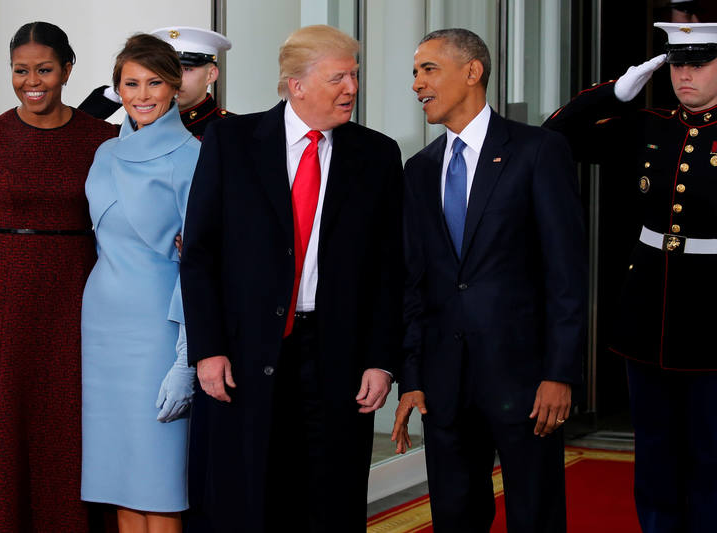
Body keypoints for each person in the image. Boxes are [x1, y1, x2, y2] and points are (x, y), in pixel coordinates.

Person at [180, 24, 403, 533]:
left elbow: (390, 271)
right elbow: (199, 254)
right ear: (296, 85)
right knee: (251, 493)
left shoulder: (377, 155)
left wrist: (381, 361)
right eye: (338, 77)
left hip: (337, 355)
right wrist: (208, 349)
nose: (351, 88)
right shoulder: (231, 141)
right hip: (245, 351)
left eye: (355, 75)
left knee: (331, 496)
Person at [0, 21, 117, 533]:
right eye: (21, 70)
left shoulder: (105, 140)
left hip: (77, 304)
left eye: (45, 69)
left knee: (67, 432)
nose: (32, 81)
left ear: (68, 70)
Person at [391, 28, 587, 533]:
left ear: (472, 71)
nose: (416, 84)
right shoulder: (418, 169)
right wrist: (411, 378)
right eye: (415, 72)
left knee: (535, 514)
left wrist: (559, 372)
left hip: (526, 384)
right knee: (454, 517)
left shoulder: (538, 151)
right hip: (445, 385)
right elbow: (413, 284)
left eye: (428, 69)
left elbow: (565, 274)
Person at [543, 22, 717, 533]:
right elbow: (555, 138)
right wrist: (616, 93)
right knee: (657, 452)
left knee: (710, 453)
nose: (685, 75)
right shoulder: (649, 125)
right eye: (678, 64)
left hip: (711, 320)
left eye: (699, 63)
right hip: (647, 316)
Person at [80, 33, 199, 533]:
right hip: (103, 325)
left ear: (175, 88)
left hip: (158, 329)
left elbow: (201, 264)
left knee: (159, 480)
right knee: (119, 479)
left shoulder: (192, 155)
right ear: (117, 89)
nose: (143, 95)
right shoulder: (104, 152)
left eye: (155, 83)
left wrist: (185, 359)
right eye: (131, 84)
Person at [79, 26, 232, 140]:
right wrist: (121, 89)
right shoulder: (138, 123)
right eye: (162, 72)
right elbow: (76, 131)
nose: (174, 78)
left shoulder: (230, 128)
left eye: (186, 69)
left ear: (211, 74)